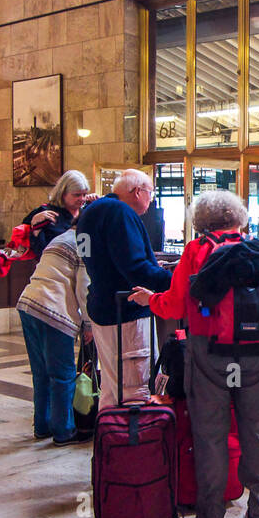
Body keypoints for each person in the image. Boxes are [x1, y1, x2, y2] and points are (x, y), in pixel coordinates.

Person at [130, 190, 259, 518]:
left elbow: (176, 305)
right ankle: (257, 511)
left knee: (210, 433)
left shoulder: (197, 251)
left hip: (210, 354)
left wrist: (150, 299)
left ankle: (211, 516)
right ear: (238, 218)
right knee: (257, 429)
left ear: (201, 222)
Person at [74, 168, 172, 409]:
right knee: (133, 389)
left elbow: (107, 260)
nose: (152, 199)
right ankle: (132, 442)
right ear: (137, 191)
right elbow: (135, 268)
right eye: (151, 193)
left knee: (113, 386)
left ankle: (111, 442)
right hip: (126, 313)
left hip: (104, 307)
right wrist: (174, 281)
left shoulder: (93, 211)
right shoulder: (118, 212)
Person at [16, 228, 91, 446]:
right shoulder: (85, 238)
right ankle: (64, 431)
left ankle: (42, 426)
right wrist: (88, 323)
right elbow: (85, 285)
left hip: (28, 303)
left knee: (41, 373)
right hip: (53, 309)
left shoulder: (62, 237)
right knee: (62, 375)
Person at [21, 169, 95, 258]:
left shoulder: (86, 212)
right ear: (63, 193)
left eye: (84, 195)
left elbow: (86, 251)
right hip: (53, 264)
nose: (82, 199)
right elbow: (40, 252)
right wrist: (36, 228)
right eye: (77, 195)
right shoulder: (45, 213)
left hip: (82, 266)